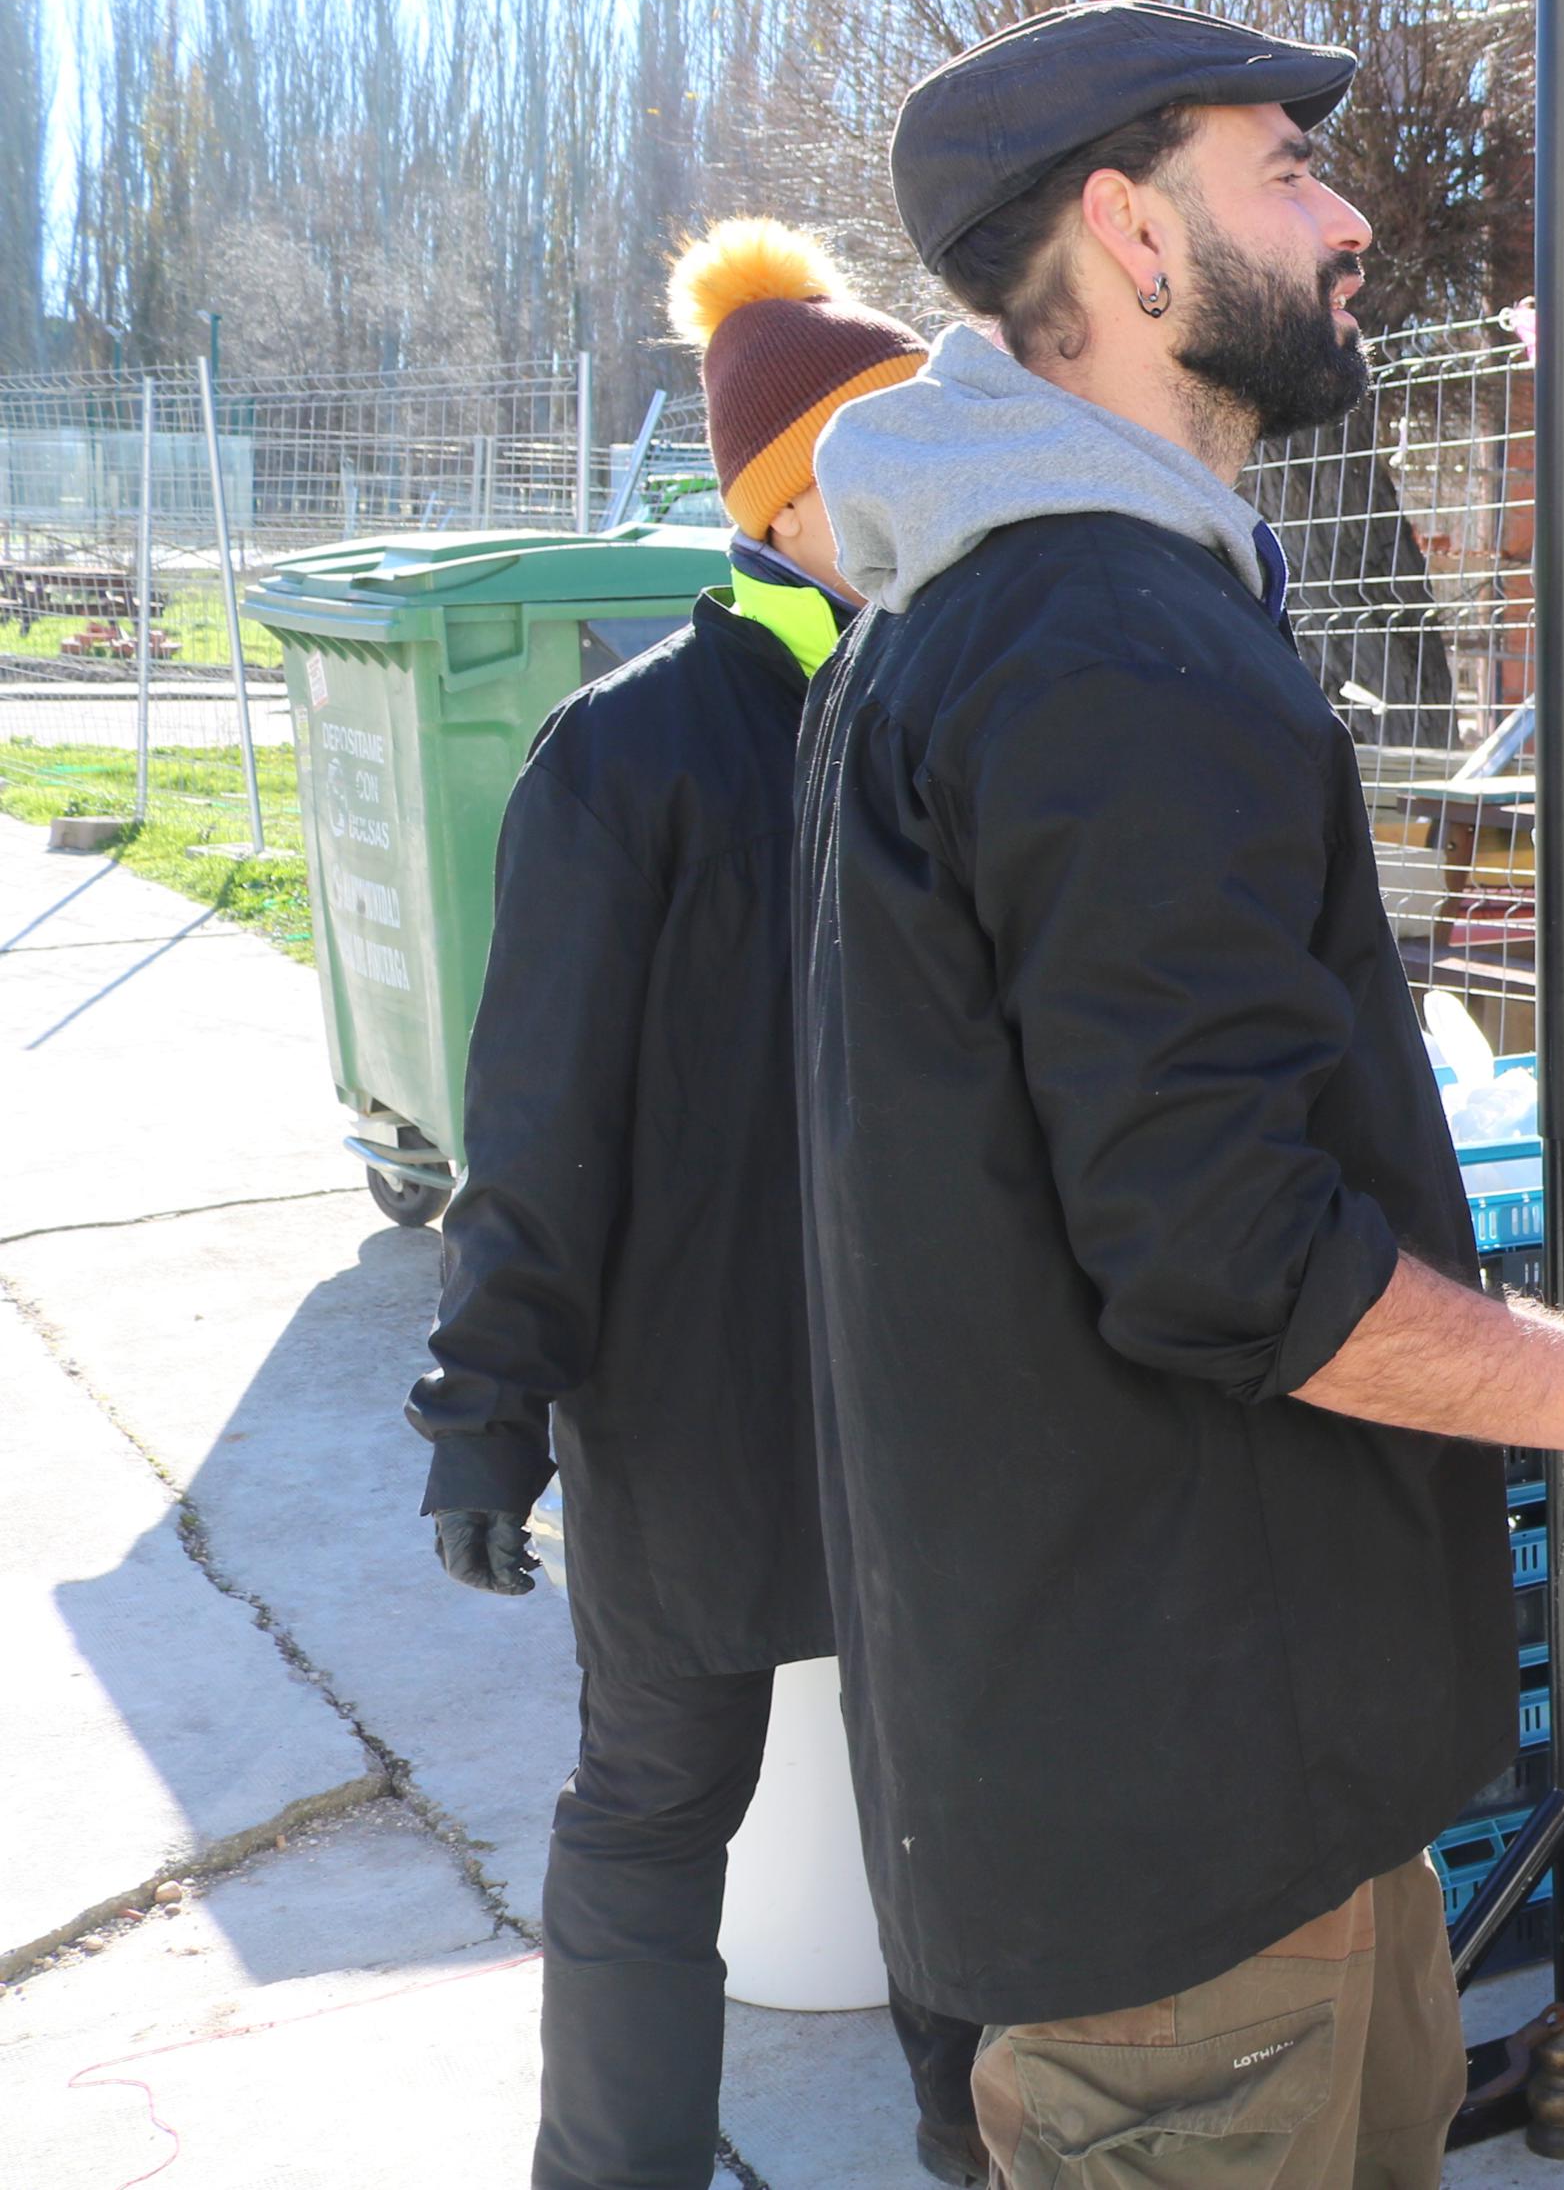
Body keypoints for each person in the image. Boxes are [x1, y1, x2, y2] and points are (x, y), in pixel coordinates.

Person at [795, 0, 1564, 2190]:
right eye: (1286, 167)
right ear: (1128, 237)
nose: (1352, 218)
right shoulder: (1095, 647)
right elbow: (1225, 1250)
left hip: (1237, 1768)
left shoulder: (1046, 613)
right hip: (1174, 1826)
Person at [408, 221, 987, 2189]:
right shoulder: (628, 749)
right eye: (899, 458)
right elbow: (538, 1123)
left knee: (956, 1844)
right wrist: (487, 1405)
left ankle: (986, 2157)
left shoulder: (954, 715)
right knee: (656, 1815)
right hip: (691, 1417)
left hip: (925, 1415)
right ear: (797, 500)